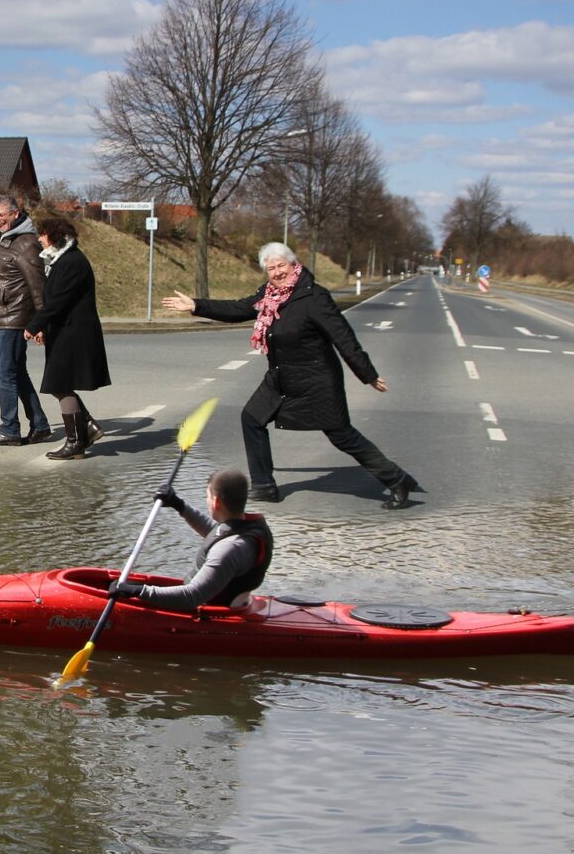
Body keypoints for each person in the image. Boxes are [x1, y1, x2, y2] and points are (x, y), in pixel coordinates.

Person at [162, 242, 420, 509]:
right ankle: (264, 486)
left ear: (293, 264)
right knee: (251, 418)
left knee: (342, 436)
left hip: (316, 380)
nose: (276, 272)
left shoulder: (313, 297)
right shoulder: (269, 294)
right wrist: (195, 305)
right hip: (281, 377)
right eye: (271, 268)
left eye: (281, 265)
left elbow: (343, 336)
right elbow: (239, 309)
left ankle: (397, 480)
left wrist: (367, 374)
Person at [108, 468, 272, 610]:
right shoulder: (242, 526)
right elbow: (214, 532)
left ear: (215, 502)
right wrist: (178, 504)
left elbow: (192, 596)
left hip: (205, 610)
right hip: (213, 598)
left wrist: (138, 592)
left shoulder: (229, 549)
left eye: (207, 495)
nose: (206, 500)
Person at [24, 216, 110, 461]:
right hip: (66, 332)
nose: (40, 239)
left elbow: (58, 302)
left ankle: (75, 441)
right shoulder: (64, 259)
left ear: (54, 236)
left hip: (74, 334)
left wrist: (34, 326)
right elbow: (56, 302)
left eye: (43, 234)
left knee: (59, 383)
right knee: (58, 383)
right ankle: (87, 428)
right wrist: (44, 328)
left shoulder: (71, 262)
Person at [0, 195, 52, 447]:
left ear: (16, 213)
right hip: (7, 316)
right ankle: (40, 425)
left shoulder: (26, 243)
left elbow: (38, 286)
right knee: (17, 373)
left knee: (3, 373)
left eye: (2, 215)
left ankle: (9, 429)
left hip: (14, 318)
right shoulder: (11, 240)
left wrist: (41, 323)